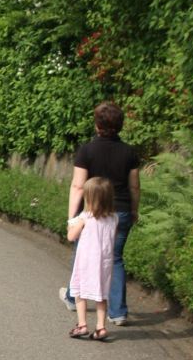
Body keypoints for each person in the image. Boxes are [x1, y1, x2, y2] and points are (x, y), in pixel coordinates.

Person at [60, 101, 140, 326]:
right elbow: (134, 186)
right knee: (114, 258)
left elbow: (77, 186)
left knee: (83, 253)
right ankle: (119, 312)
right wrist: (134, 210)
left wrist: (72, 218)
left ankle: (73, 297)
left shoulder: (87, 150)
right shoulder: (129, 152)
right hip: (120, 211)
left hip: (92, 211)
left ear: (97, 125)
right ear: (121, 125)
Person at [66, 176, 117, 341]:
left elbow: (71, 236)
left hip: (86, 261)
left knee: (80, 291)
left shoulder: (85, 217)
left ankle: (82, 324)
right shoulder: (114, 218)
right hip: (105, 263)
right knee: (101, 295)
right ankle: (101, 327)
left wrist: (71, 224)